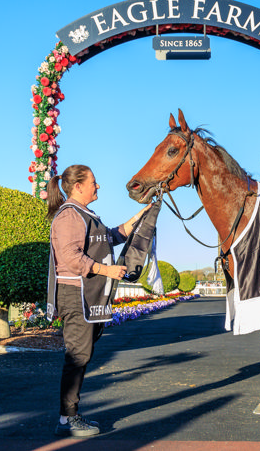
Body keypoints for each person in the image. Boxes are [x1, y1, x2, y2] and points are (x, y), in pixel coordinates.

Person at [46, 164, 150, 437]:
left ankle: (68, 416)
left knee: (81, 354)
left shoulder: (85, 215)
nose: (98, 185)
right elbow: (70, 256)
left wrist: (139, 218)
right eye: (94, 181)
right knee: (77, 356)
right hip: (75, 293)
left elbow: (109, 237)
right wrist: (108, 270)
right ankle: (67, 419)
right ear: (78, 186)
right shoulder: (69, 216)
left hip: (85, 294)